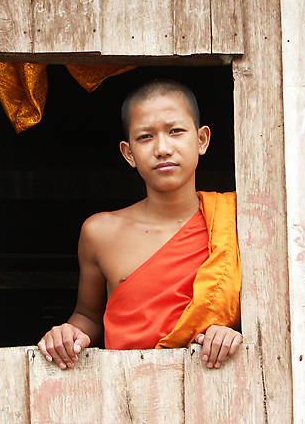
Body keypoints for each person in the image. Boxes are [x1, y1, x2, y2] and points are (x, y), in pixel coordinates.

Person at [37, 79, 242, 370]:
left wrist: (233, 332)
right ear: (128, 153)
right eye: (145, 137)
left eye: (176, 132)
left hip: (214, 390)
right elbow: (90, 316)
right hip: (125, 393)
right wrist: (68, 333)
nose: (162, 148)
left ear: (202, 140)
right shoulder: (100, 232)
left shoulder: (237, 221)